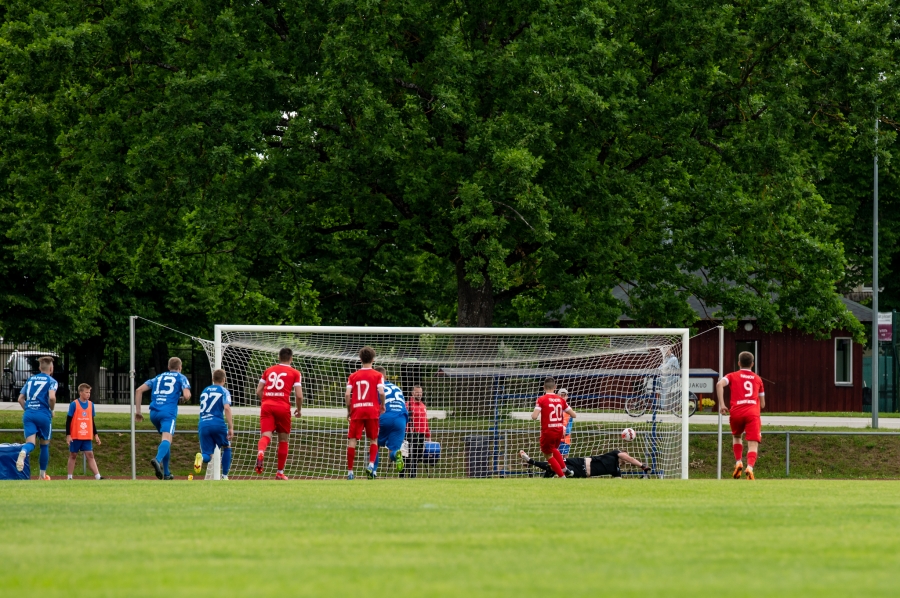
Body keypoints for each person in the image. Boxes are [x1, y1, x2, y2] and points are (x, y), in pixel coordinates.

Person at [134, 356, 192, 480]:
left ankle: (166, 473)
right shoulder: (181, 377)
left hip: (154, 413)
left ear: (168, 367)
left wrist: (138, 411)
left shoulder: (158, 377)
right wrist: (183, 398)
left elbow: (139, 390)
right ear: (180, 367)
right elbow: (187, 395)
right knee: (167, 439)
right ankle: (157, 459)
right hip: (168, 413)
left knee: (166, 440)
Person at [716, 351, 765, 480]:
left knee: (737, 437)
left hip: (736, 412)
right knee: (753, 443)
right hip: (752, 414)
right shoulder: (758, 379)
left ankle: (738, 462)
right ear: (752, 364)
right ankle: (750, 467)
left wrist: (722, 405)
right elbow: (763, 404)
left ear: (739, 363)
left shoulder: (732, 376)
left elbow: (719, 384)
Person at [255, 347, 302, 480]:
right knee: (283, 439)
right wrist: (299, 409)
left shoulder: (268, 370)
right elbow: (299, 395)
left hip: (267, 406)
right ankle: (279, 472)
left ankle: (261, 451)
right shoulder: (295, 373)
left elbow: (259, 391)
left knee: (266, 436)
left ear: (279, 357)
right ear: (291, 358)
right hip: (283, 407)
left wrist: (266, 402)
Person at [345, 346, 386, 480]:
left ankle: (350, 472)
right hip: (372, 410)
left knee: (352, 441)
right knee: (373, 439)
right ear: (373, 359)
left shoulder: (353, 376)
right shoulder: (378, 375)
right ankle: (371, 465)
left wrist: (349, 410)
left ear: (360, 359)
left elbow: (347, 394)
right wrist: (383, 405)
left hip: (357, 409)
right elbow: (381, 392)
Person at [16, 356, 57, 480]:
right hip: (43, 414)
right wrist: (52, 410)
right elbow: (52, 397)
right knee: (44, 445)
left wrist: (28, 409)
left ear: (40, 367)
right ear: (51, 368)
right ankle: (42, 475)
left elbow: (20, 399)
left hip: (29, 414)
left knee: (31, 443)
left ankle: (23, 451)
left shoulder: (30, 380)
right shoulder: (52, 381)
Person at [531, 377, 577, 478]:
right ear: (555, 387)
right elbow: (574, 415)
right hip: (559, 431)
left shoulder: (541, 399)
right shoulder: (561, 400)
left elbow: (534, 416)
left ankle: (562, 476)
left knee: (548, 455)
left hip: (548, 430)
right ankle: (565, 469)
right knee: (553, 449)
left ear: (544, 387)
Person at [194, 369, 234, 480]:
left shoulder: (204, 391)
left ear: (212, 379)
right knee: (227, 446)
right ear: (224, 380)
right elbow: (226, 407)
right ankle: (225, 476)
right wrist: (231, 427)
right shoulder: (223, 391)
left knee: (208, 455)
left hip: (203, 424)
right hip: (217, 423)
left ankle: (201, 457)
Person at [371, 366, 407, 477]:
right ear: (385, 376)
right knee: (393, 451)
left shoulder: (376, 388)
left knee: (375, 444)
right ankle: (397, 455)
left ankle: (373, 471)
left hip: (385, 417)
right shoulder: (397, 388)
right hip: (401, 419)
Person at [519, 449, 651, 478]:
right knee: (554, 463)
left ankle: (531, 461)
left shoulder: (616, 470)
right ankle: (531, 462)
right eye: (626, 454)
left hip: (582, 473)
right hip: (579, 461)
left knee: (553, 468)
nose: (627, 457)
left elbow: (619, 486)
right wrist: (642, 466)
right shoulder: (615, 454)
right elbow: (631, 459)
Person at [66, 383, 103, 480]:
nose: (88, 394)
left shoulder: (91, 405)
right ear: (81, 393)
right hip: (76, 435)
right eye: (86, 392)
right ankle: (69, 477)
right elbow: (68, 420)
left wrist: (96, 434)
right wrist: (68, 435)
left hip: (86, 435)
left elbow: (92, 421)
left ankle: (98, 476)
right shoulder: (74, 404)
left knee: (90, 455)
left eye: (89, 392)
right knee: (73, 455)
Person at [405, 385, 430, 478]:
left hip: (421, 434)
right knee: (407, 455)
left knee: (417, 455)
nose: (419, 394)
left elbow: (425, 421)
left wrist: (428, 435)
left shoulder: (423, 406)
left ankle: (413, 475)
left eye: (420, 392)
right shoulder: (407, 405)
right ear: (412, 393)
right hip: (410, 433)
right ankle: (404, 474)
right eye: (417, 392)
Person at [558, 388, 574, 456]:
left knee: (564, 457)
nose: (563, 397)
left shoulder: (569, 410)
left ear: (567, 397)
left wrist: (566, 432)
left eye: (565, 395)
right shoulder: (554, 407)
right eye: (561, 395)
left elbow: (570, 424)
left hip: (565, 439)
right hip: (555, 437)